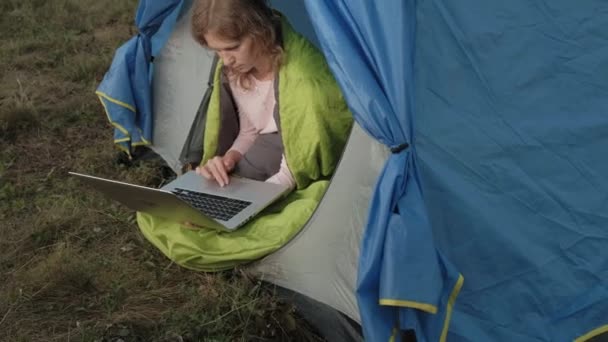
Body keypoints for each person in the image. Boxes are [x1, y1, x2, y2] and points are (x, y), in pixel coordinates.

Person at [190, 0, 352, 192]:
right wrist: (229, 159)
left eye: (232, 47)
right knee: (204, 194)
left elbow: (298, 164)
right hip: (267, 150)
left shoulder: (305, 80)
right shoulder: (236, 71)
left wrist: (254, 200)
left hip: (293, 160)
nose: (226, 60)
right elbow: (250, 130)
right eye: (217, 50)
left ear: (259, 31)